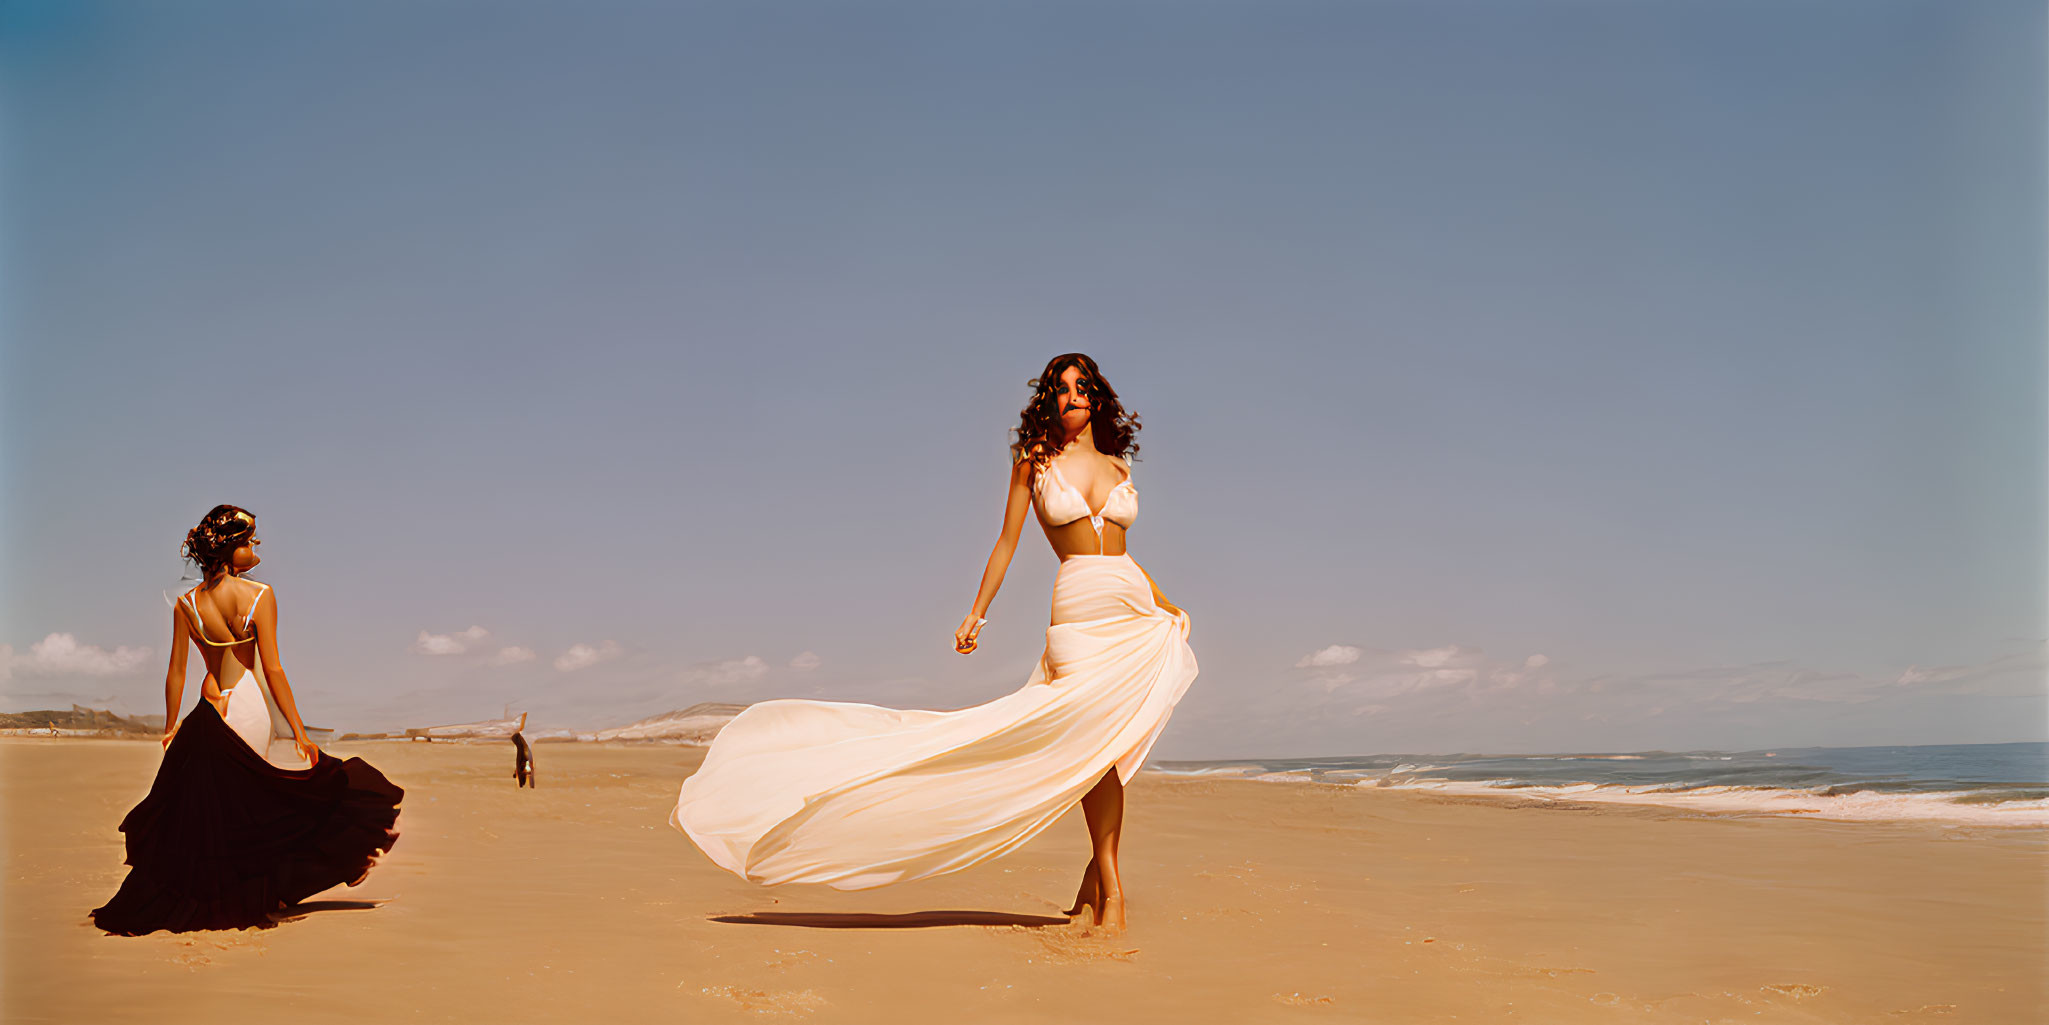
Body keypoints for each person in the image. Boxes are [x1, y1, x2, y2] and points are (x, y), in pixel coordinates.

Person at [672, 354, 1195, 932]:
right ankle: (1113, 890)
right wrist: (977, 612)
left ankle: (1098, 882)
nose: (1071, 397)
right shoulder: (1034, 461)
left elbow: (1123, 555)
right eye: (1060, 390)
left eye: (1081, 387)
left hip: (1130, 606)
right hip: (1077, 609)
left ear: (1096, 396)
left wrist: (1166, 602)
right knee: (1086, 738)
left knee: (1111, 746)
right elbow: (1007, 542)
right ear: (1050, 402)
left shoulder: (1120, 465)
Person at [90, 505, 403, 935]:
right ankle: (262, 890)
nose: (255, 548)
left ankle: (232, 892)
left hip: (207, 711)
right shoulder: (259, 595)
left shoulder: (186, 604)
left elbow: (177, 671)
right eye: (248, 541)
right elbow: (272, 670)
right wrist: (297, 730)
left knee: (223, 808)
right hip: (248, 708)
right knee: (255, 804)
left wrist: (169, 726)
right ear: (228, 548)